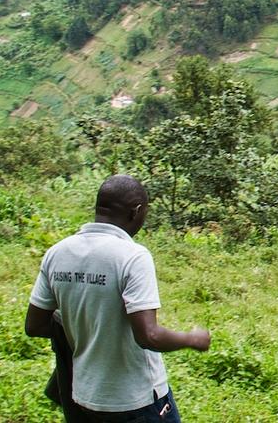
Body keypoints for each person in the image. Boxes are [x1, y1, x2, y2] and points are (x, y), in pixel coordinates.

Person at [24, 175, 211, 422]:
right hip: (137, 400)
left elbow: (35, 325)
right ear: (136, 211)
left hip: (84, 398)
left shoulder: (57, 253)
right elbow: (149, 335)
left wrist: (85, 328)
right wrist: (191, 339)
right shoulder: (132, 256)